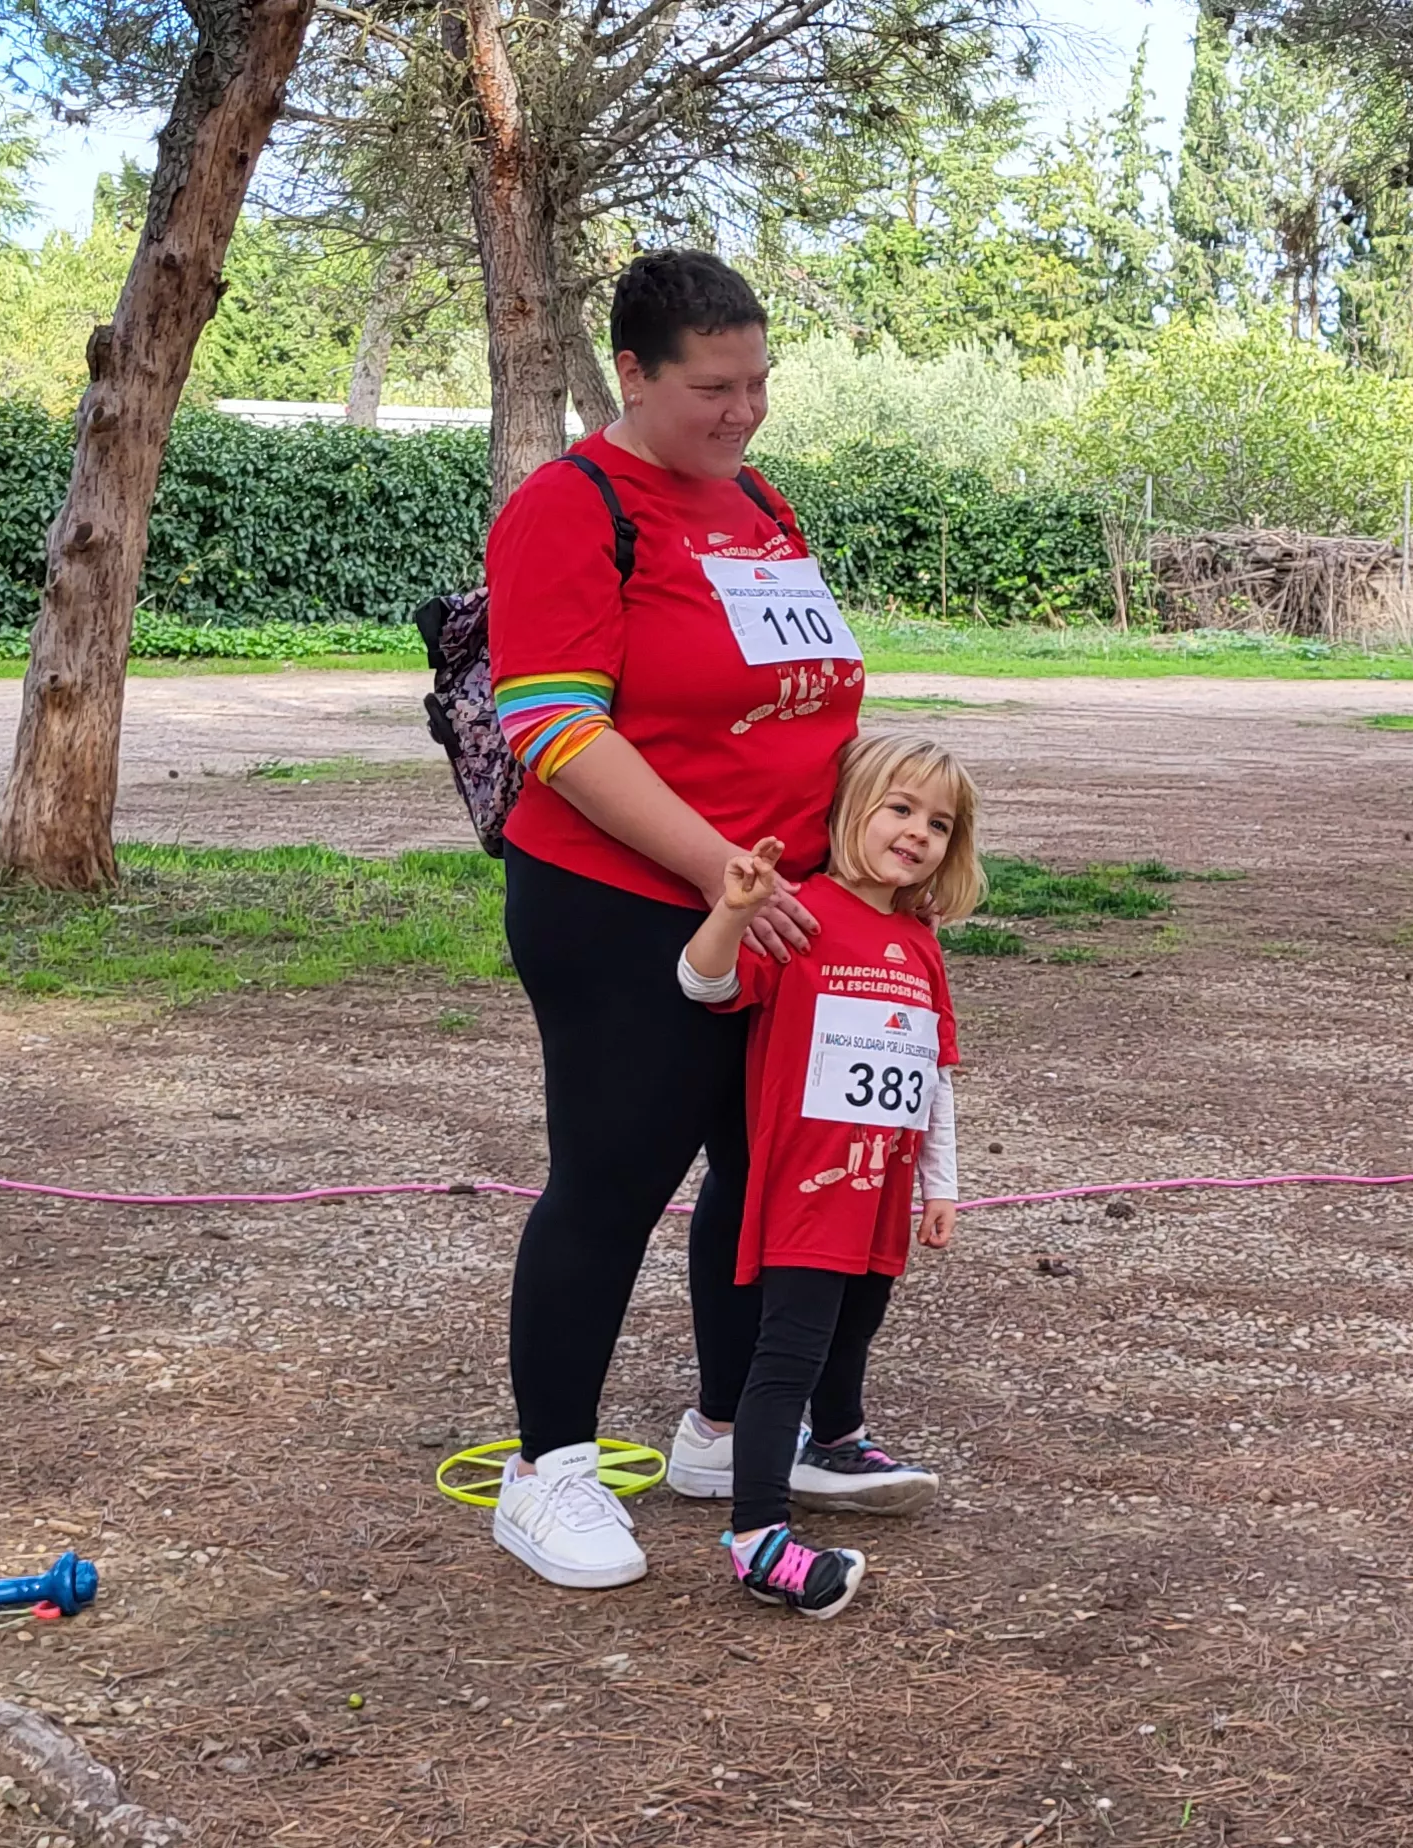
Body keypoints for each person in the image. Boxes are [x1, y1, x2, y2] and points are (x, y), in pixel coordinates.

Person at [482, 250, 881, 1591]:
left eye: (760, 380)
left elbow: (801, 690)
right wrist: (721, 870)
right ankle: (549, 1473)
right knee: (612, 1182)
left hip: (778, 906)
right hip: (628, 908)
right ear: (634, 375)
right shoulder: (570, 506)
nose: (743, 410)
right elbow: (551, 726)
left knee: (760, 1174)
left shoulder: (759, 502)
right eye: (713, 387)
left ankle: (726, 1431)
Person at [677, 733, 985, 1617]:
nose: (918, 832)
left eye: (939, 822)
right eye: (900, 808)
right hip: (806, 1191)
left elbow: (931, 1079)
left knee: (856, 1328)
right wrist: (734, 910)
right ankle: (757, 1536)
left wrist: (942, 1184)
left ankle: (842, 1441)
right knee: (790, 1353)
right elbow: (702, 984)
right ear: (851, 808)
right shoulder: (799, 916)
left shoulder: (919, 945)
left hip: (881, 1191)